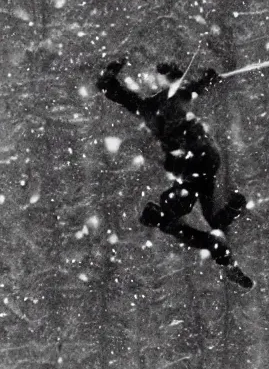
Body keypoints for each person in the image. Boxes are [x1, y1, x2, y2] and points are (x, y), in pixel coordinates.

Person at [96, 57, 254, 289]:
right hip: (197, 159)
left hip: (193, 157)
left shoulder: (178, 213)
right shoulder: (180, 216)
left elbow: (212, 233)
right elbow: (214, 228)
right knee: (208, 208)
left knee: (201, 195)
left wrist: (111, 75)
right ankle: (169, 74)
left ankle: (169, 73)